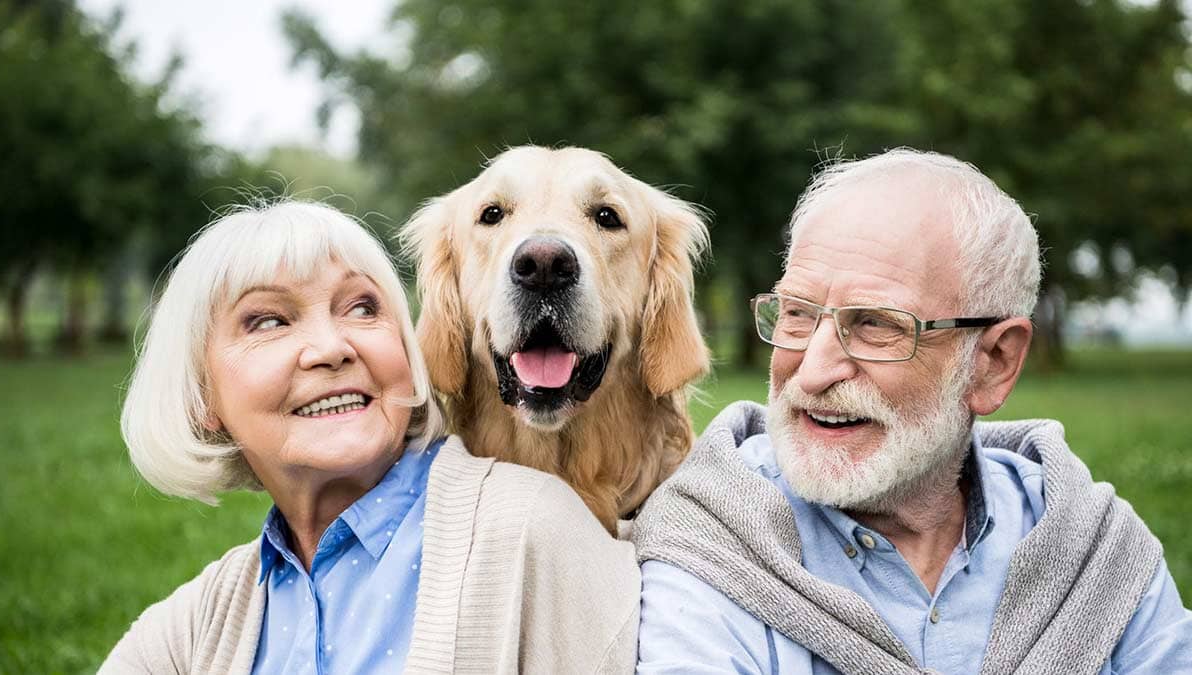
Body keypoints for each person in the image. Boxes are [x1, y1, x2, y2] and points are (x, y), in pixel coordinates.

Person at [633, 149, 1191, 674]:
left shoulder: (1096, 554)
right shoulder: (708, 544)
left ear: (994, 362)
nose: (812, 371)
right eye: (798, 314)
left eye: (875, 323)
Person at [102, 200, 639, 674]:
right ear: (202, 398)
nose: (331, 347)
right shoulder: (191, 633)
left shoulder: (530, 528)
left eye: (362, 308)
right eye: (268, 321)